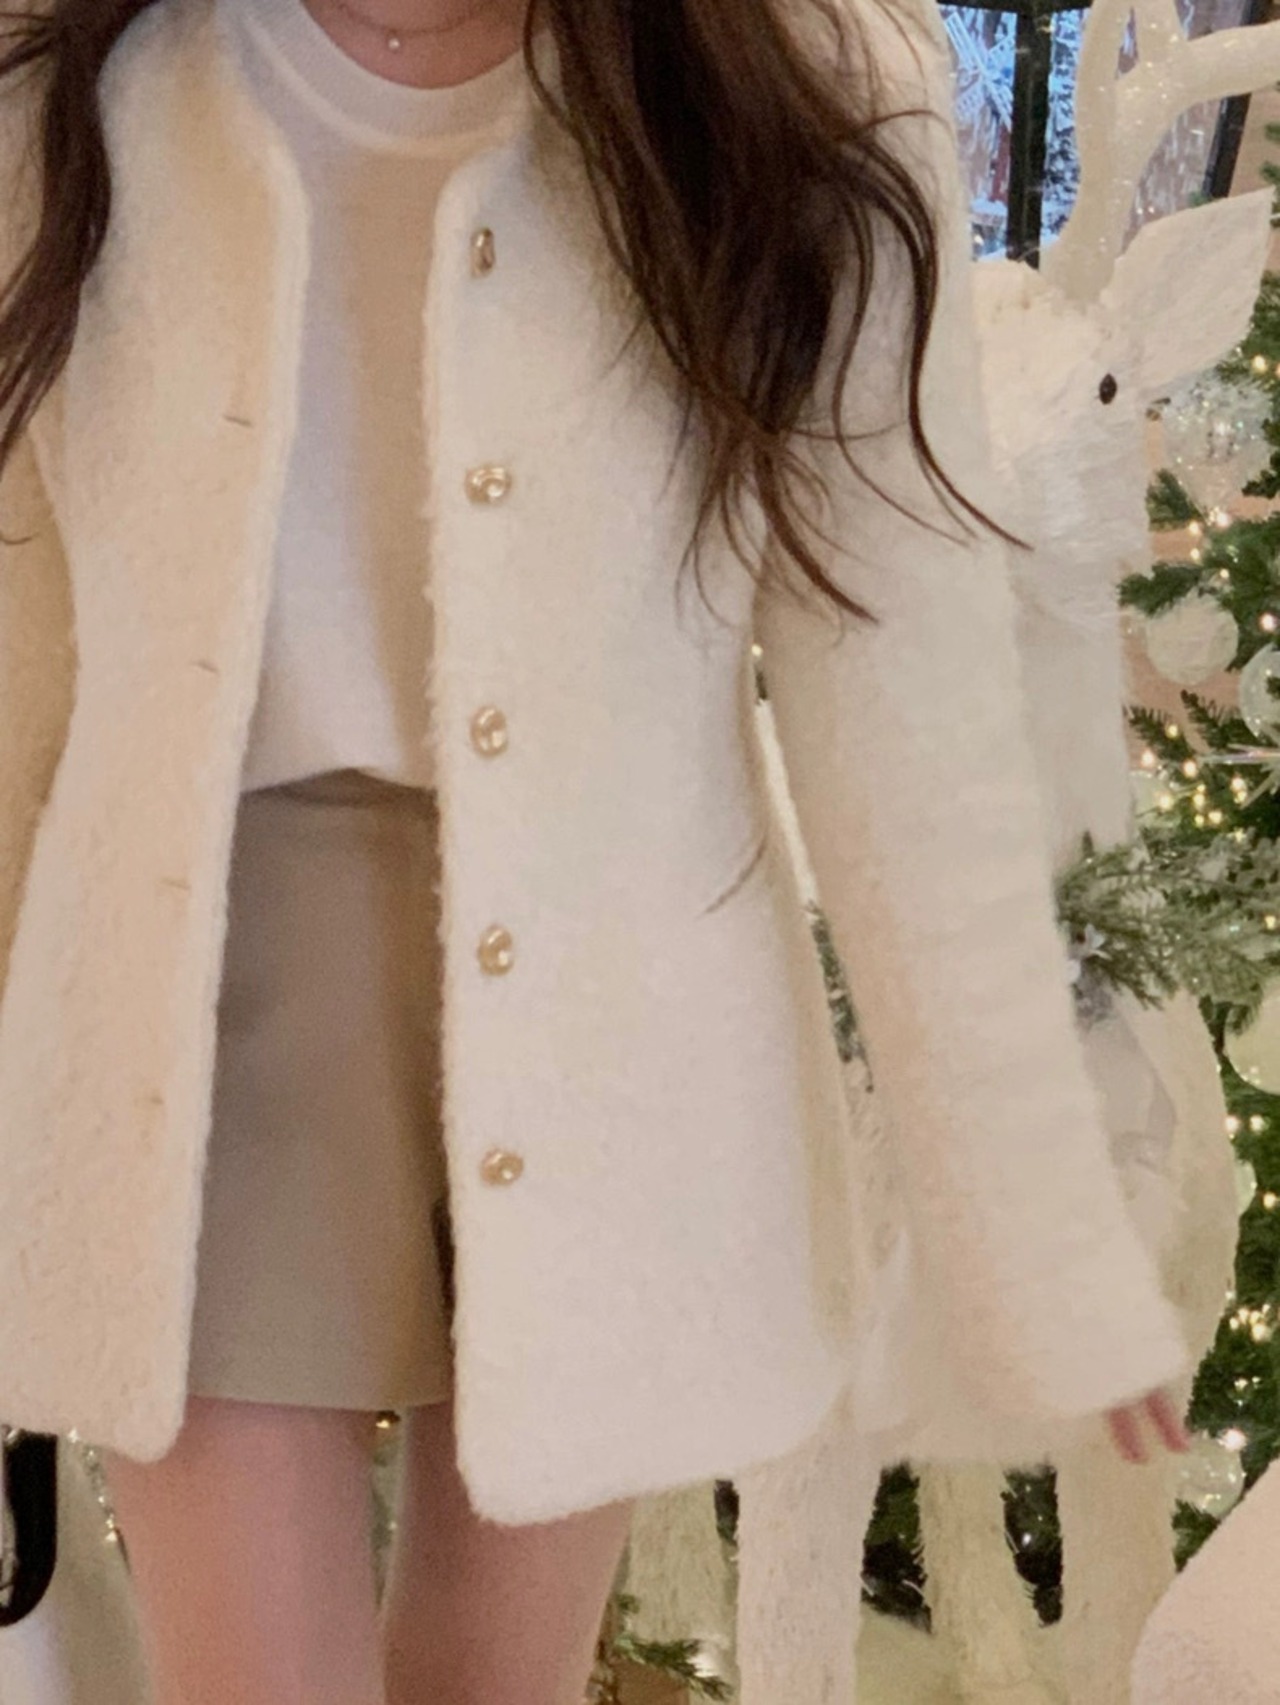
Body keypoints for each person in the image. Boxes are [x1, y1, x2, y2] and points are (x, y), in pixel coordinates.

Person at [0, 0, 1190, 1699]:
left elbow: (904, 706)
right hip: (188, 1012)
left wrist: (1044, 1238)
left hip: (620, 1014)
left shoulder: (809, 86)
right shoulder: (75, 80)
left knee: (500, 1682)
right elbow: (23, 653)